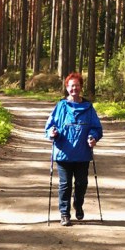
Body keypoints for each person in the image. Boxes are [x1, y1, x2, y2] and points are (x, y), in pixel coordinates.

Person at [44, 72, 103, 226]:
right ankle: (64, 214)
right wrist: (52, 133)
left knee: (82, 184)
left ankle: (78, 204)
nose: (74, 88)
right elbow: (50, 126)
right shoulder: (61, 106)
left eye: (77, 85)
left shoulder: (88, 108)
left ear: (81, 87)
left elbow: (96, 128)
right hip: (63, 153)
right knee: (65, 185)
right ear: (67, 88)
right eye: (71, 86)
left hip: (82, 153)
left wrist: (93, 137)